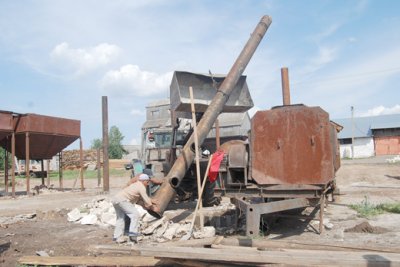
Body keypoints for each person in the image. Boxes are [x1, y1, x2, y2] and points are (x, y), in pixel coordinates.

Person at [112, 173, 153, 243]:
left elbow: (137, 201)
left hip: (115, 199)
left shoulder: (135, 185)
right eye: (147, 182)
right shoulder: (141, 187)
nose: (148, 184)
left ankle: (117, 237)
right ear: (144, 181)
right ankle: (133, 234)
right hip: (123, 200)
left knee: (120, 218)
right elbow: (147, 201)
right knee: (135, 214)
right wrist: (150, 206)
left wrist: (144, 206)